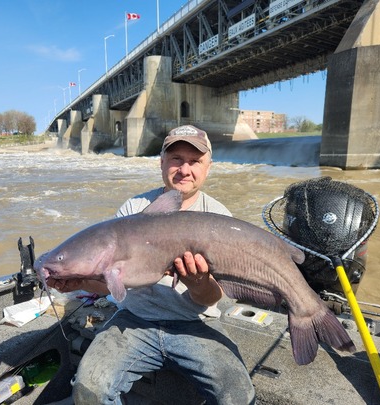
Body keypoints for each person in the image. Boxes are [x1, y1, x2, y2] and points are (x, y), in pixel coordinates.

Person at [47, 125, 255, 404]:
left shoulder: (218, 217)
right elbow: (114, 283)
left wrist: (198, 283)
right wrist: (79, 282)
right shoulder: (133, 210)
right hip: (134, 320)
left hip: (196, 322)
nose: (184, 169)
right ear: (162, 163)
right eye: (176, 159)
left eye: (195, 161)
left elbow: (213, 297)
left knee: (238, 394)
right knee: (88, 388)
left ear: (209, 167)